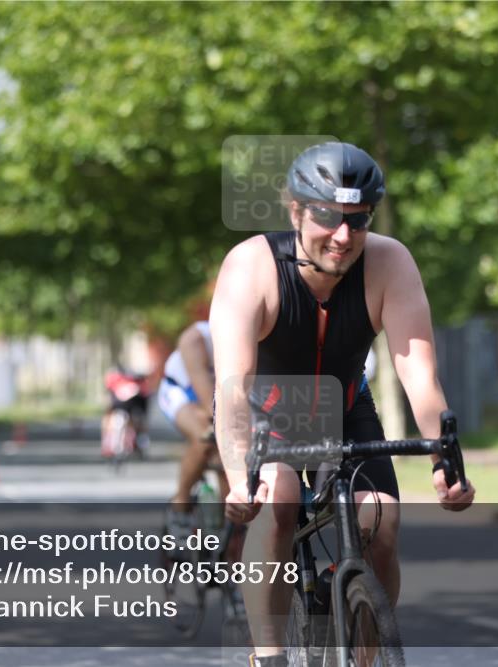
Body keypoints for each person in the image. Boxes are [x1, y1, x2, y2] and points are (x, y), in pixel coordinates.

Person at [210, 142, 476, 667]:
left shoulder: (389, 262)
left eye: (357, 220)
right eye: (328, 217)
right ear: (296, 211)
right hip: (265, 411)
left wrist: (445, 462)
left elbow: (419, 376)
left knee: (382, 519)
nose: (342, 236)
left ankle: (367, 657)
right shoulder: (252, 267)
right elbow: (233, 386)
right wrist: (242, 476)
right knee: (279, 500)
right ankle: (270, 656)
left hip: (344, 405)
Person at [157, 321, 228, 529]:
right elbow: (208, 403)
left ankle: (230, 527)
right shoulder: (196, 340)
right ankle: (181, 504)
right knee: (205, 437)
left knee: (231, 454)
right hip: (182, 393)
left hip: (222, 396)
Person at [102, 365, 151, 457]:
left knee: (138, 424)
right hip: (122, 410)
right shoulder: (116, 383)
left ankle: (137, 444)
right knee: (119, 424)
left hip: (133, 410)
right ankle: (116, 446)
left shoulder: (140, 386)